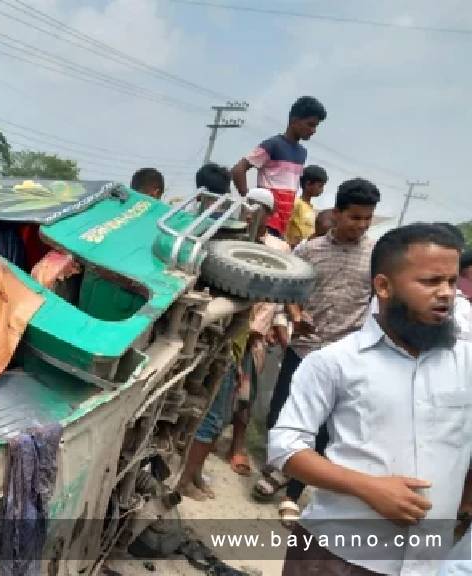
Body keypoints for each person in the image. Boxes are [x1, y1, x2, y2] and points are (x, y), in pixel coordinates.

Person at [269, 223, 471, 576]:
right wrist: (369, 488)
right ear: (383, 286)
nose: (446, 293)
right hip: (333, 557)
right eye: (430, 282)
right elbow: (285, 446)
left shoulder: (465, 362)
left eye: (452, 282)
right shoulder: (334, 362)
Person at [257, 178, 381, 526]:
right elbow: (288, 290)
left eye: (367, 219)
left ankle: (292, 494)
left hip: (346, 355)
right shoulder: (309, 251)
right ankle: (278, 466)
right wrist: (296, 316)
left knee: (325, 427)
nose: (361, 225)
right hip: (304, 349)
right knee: (282, 411)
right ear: (337, 213)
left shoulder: (376, 257)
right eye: (355, 217)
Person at [177, 188, 289, 499]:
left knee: (220, 412)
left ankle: (193, 474)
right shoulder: (223, 247)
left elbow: (270, 304)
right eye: (249, 207)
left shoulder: (269, 250)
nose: (252, 214)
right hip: (217, 344)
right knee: (210, 415)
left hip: (236, 345)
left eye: (259, 210)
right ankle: (185, 479)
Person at [232, 96, 327, 237]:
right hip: (266, 220)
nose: (313, 130)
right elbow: (238, 169)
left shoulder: (302, 152)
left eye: (316, 126)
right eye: (310, 124)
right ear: (294, 121)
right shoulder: (273, 145)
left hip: (283, 221)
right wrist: (250, 202)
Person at [285, 165, 328, 247]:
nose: (322, 190)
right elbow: (286, 224)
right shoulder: (296, 203)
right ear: (308, 184)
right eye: (320, 186)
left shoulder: (311, 208)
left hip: (304, 247)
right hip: (292, 247)